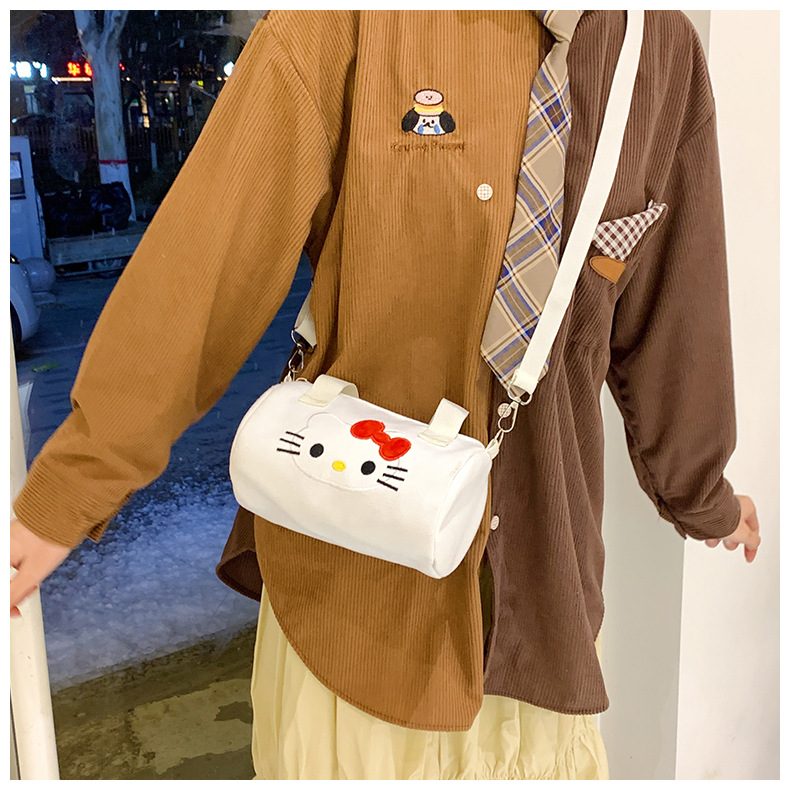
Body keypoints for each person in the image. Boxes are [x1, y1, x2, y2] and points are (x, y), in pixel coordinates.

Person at [10, 10, 762, 781]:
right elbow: (209, 261)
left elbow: (676, 311)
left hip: (542, 625)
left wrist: (701, 492)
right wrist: (74, 483)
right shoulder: (350, 24)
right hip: (353, 619)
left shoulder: (657, 52)